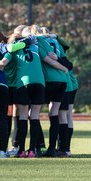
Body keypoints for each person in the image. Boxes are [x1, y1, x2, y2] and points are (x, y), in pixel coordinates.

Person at [30, 25, 69, 157]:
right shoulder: (55, 41)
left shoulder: (38, 41)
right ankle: (53, 148)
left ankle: (37, 146)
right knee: (54, 112)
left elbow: (47, 60)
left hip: (49, 80)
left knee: (33, 112)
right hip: (62, 82)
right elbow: (64, 58)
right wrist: (64, 69)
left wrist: (63, 68)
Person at [7, 32, 45, 158]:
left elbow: (9, 49)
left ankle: (21, 150)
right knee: (34, 117)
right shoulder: (35, 47)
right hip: (39, 82)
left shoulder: (15, 47)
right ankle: (32, 150)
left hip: (24, 83)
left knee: (23, 117)